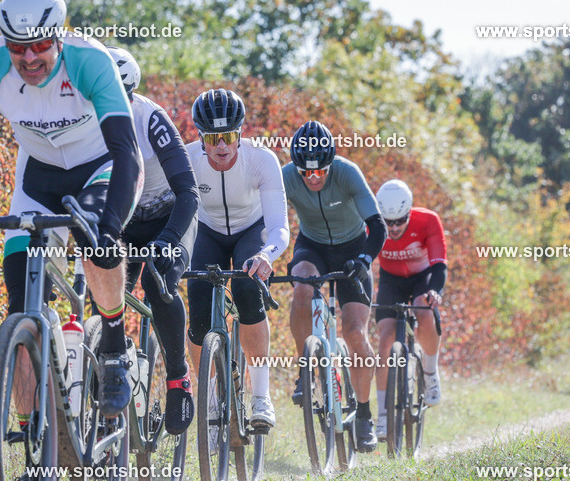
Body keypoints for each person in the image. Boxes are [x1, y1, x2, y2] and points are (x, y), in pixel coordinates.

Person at [0, 0, 142, 481]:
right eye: (16, 47)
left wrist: (110, 227)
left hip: (101, 166)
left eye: (39, 47)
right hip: (39, 176)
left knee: (99, 246)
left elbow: (128, 153)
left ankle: (114, 338)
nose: (28, 58)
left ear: (58, 37)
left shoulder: (90, 61)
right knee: (20, 311)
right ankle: (33, 456)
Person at [186, 88, 289, 433]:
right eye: (213, 138)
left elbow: (279, 228)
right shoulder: (186, 161)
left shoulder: (262, 160)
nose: (221, 147)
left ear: (240, 134)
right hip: (207, 231)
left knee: (248, 290)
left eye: (228, 136)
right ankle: (211, 401)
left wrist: (265, 255)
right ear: (200, 136)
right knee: (198, 314)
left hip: (252, 230)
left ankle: (261, 396)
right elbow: (175, 217)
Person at [107, 46, 198, 435]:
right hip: (124, 220)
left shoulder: (151, 119)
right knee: (104, 291)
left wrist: (169, 239)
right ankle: (109, 373)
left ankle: (177, 378)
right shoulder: (83, 119)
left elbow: (189, 192)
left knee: (156, 282)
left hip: (168, 215)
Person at [282, 121, 386, 453]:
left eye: (320, 172)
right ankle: (304, 369)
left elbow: (378, 226)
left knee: (355, 333)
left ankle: (365, 414)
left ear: (331, 163)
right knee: (301, 285)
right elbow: (265, 217)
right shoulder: (285, 177)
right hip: (312, 246)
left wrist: (365, 260)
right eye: (305, 173)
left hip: (352, 250)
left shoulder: (347, 173)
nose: (313, 178)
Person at [374, 179, 447, 438]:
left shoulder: (427, 221)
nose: (393, 228)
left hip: (423, 278)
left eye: (399, 221)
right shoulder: (371, 223)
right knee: (385, 340)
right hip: (391, 281)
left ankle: (430, 371)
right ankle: (382, 415)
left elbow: (439, 264)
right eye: (388, 222)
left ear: (409, 213)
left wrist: (435, 291)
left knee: (423, 307)